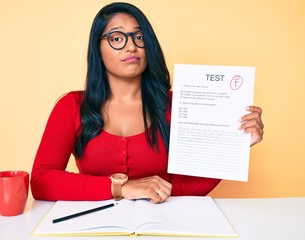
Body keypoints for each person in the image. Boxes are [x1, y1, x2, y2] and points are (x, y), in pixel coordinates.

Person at [30, 2, 264, 203]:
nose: (131, 46)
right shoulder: (72, 106)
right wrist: (121, 188)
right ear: (97, 50)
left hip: (160, 226)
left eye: (139, 37)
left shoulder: (178, 104)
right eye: (117, 38)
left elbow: (182, 189)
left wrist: (233, 146)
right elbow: (41, 181)